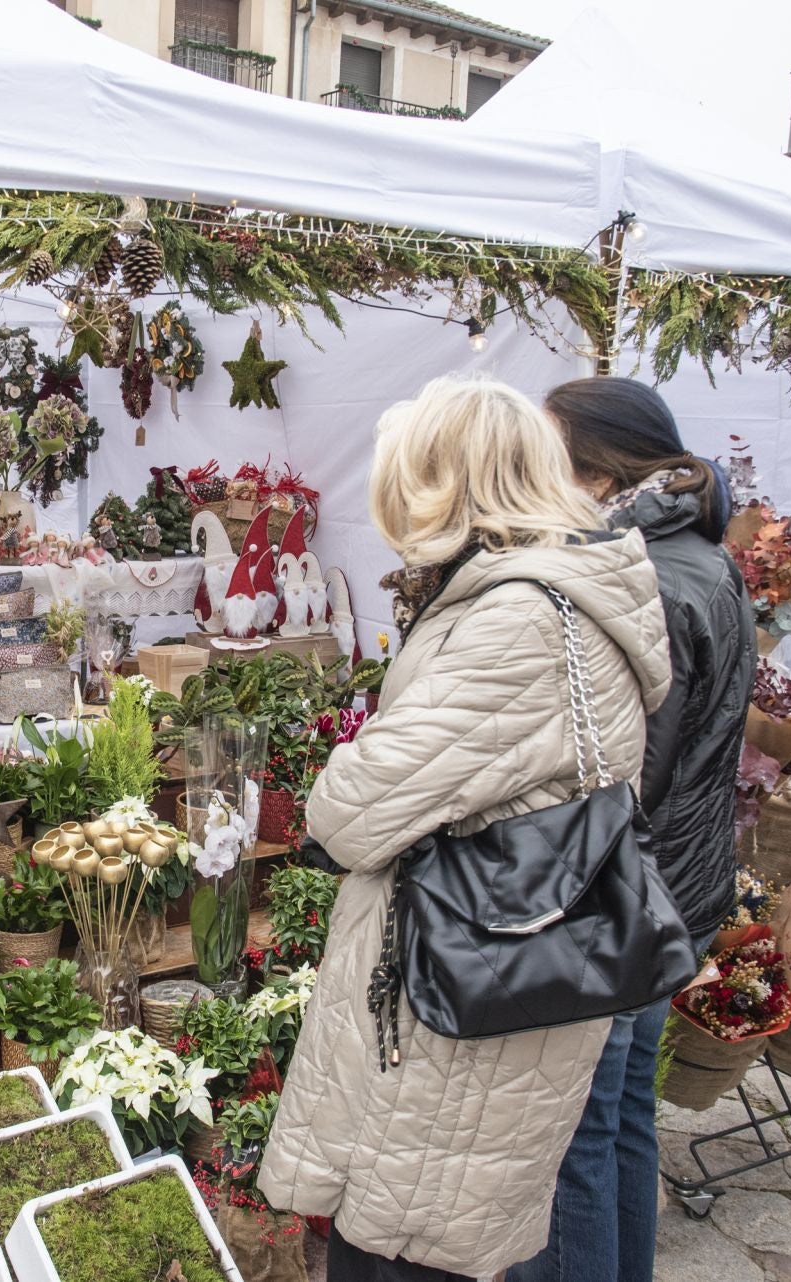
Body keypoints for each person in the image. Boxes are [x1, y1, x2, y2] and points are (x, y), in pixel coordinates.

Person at [258, 378, 671, 1280]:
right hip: (488, 968)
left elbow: (351, 810)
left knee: (413, 1240)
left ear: (441, 484)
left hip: (466, 992)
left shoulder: (520, 615)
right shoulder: (543, 591)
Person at [511, 378, 754, 1282]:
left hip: (621, 895)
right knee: (619, 1120)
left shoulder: (644, 575)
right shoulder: (703, 554)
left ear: (599, 467)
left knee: (570, 1136)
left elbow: (619, 773)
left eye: (548, 452)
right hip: (674, 887)